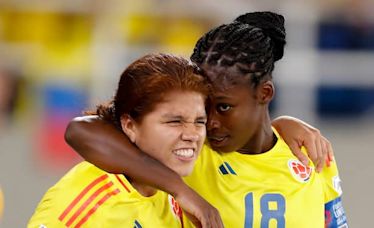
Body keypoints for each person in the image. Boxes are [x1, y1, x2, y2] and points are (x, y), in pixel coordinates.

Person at [66, 12, 347, 227]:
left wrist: (280, 124)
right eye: (204, 106)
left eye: (223, 107)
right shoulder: (187, 149)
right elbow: (81, 131)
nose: (208, 122)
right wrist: (181, 191)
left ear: (265, 93)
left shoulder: (310, 153)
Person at [28, 54, 223, 227]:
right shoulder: (89, 202)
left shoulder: (176, 198)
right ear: (129, 125)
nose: (192, 134)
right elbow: (78, 129)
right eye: (174, 121)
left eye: (199, 121)